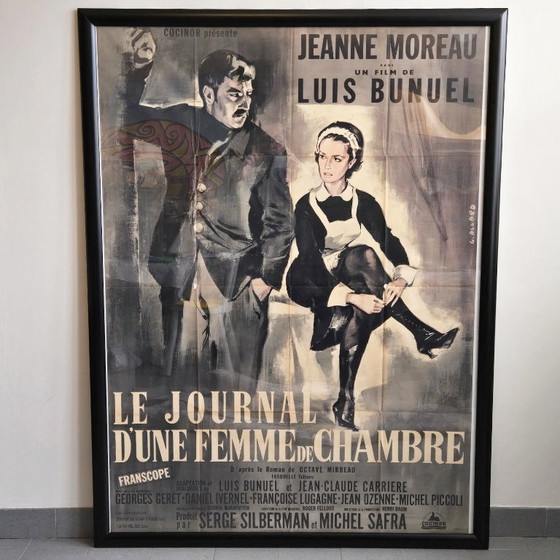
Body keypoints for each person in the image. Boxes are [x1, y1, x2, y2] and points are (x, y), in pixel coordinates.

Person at [114, 30, 293, 390]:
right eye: (234, 94)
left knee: (237, 385)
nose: (244, 103)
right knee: (182, 384)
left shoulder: (266, 149)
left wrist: (265, 280)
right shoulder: (180, 121)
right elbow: (127, 115)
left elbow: (281, 223)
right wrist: (139, 67)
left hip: (238, 278)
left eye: (248, 94)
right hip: (179, 268)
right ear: (209, 95)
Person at [287, 121, 458, 431]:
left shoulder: (362, 201)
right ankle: (421, 333)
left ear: (352, 161)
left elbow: (387, 241)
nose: (327, 165)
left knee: (365, 254)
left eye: (337, 158)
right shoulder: (306, 205)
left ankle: (345, 400)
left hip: (344, 267)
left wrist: (401, 277)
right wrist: (353, 297)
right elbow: (310, 259)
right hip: (309, 279)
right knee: (363, 281)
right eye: (322, 156)